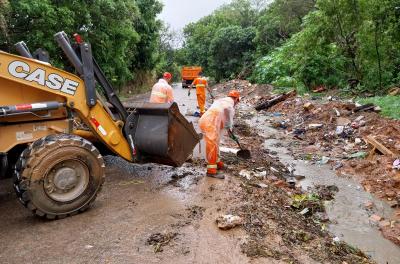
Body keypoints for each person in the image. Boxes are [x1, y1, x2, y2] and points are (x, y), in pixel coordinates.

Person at [198, 90, 240, 179]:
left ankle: (217, 162)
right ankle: (211, 171)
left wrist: (229, 130)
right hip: (210, 122)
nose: (236, 103)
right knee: (212, 145)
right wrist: (230, 130)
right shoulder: (229, 106)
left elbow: (223, 118)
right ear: (236, 99)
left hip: (208, 121)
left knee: (215, 143)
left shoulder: (222, 101)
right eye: (237, 101)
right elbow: (228, 120)